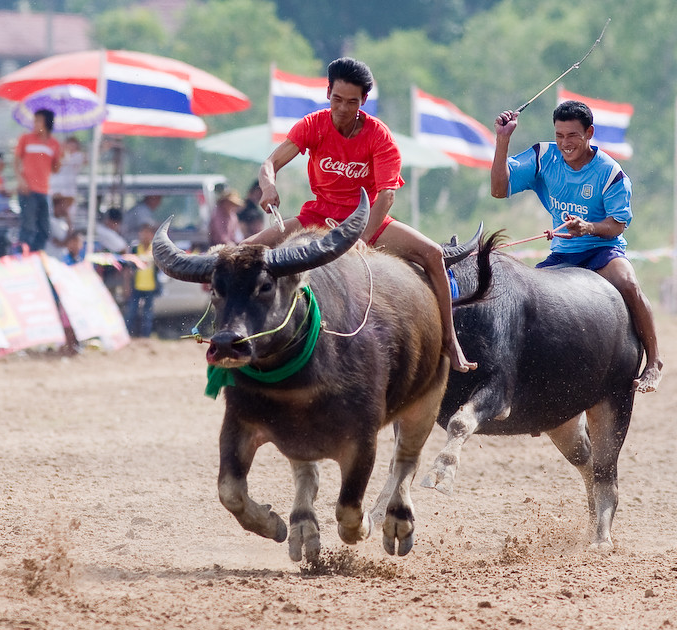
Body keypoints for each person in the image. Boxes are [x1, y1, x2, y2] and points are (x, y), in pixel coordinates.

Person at [248, 56, 475, 373]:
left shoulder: (379, 136)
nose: (342, 109)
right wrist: (268, 187)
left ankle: (450, 341)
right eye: (337, 100)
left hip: (366, 220)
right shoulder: (313, 125)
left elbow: (387, 195)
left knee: (433, 253)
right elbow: (268, 164)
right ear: (328, 93)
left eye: (351, 102)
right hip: (318, 215)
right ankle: (234, 334)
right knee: (244, 251)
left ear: (364, 101)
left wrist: (363, 237)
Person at [492, 101, 663, 393]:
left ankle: (654, 361)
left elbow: (618, 225)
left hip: (602, 250)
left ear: (589, 133)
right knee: (525, 302)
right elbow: (498, 190)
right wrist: (502, 139)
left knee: (628, 283)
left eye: (572, 135)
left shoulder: (610, 172)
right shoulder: (543, 156)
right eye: (559, 135)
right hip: (562, 254)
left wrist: (588, 227)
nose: (564, 143)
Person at [14, 108, 61, 252]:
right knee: (28, 228)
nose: (35, 123)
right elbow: (16, 161)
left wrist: (61, 158)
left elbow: (55, 169)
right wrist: (21, 180)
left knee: (44, 229)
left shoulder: (54, 144)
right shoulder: (26, 139)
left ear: (46, 122)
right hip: (28, 190)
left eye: (38, 120)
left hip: (44, 191)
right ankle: (22, 257)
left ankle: (35, 255)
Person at [125, 222, 161, 338]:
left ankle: (145, 337)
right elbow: (128, 269)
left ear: (152, 235)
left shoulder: (155, 249)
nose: (145, 235)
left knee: (148, 315)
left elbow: (159, 268)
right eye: (143, 232)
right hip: (136, 286)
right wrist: (127, 285)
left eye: (148, 233)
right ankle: (128, 335)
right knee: (132, 312)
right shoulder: (135, 249)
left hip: (150, 287)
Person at [49, 136, 85, 225]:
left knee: (68, 216)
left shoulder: (77, 156)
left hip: (67, 192)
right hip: (54, 191)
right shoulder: (55, 157)